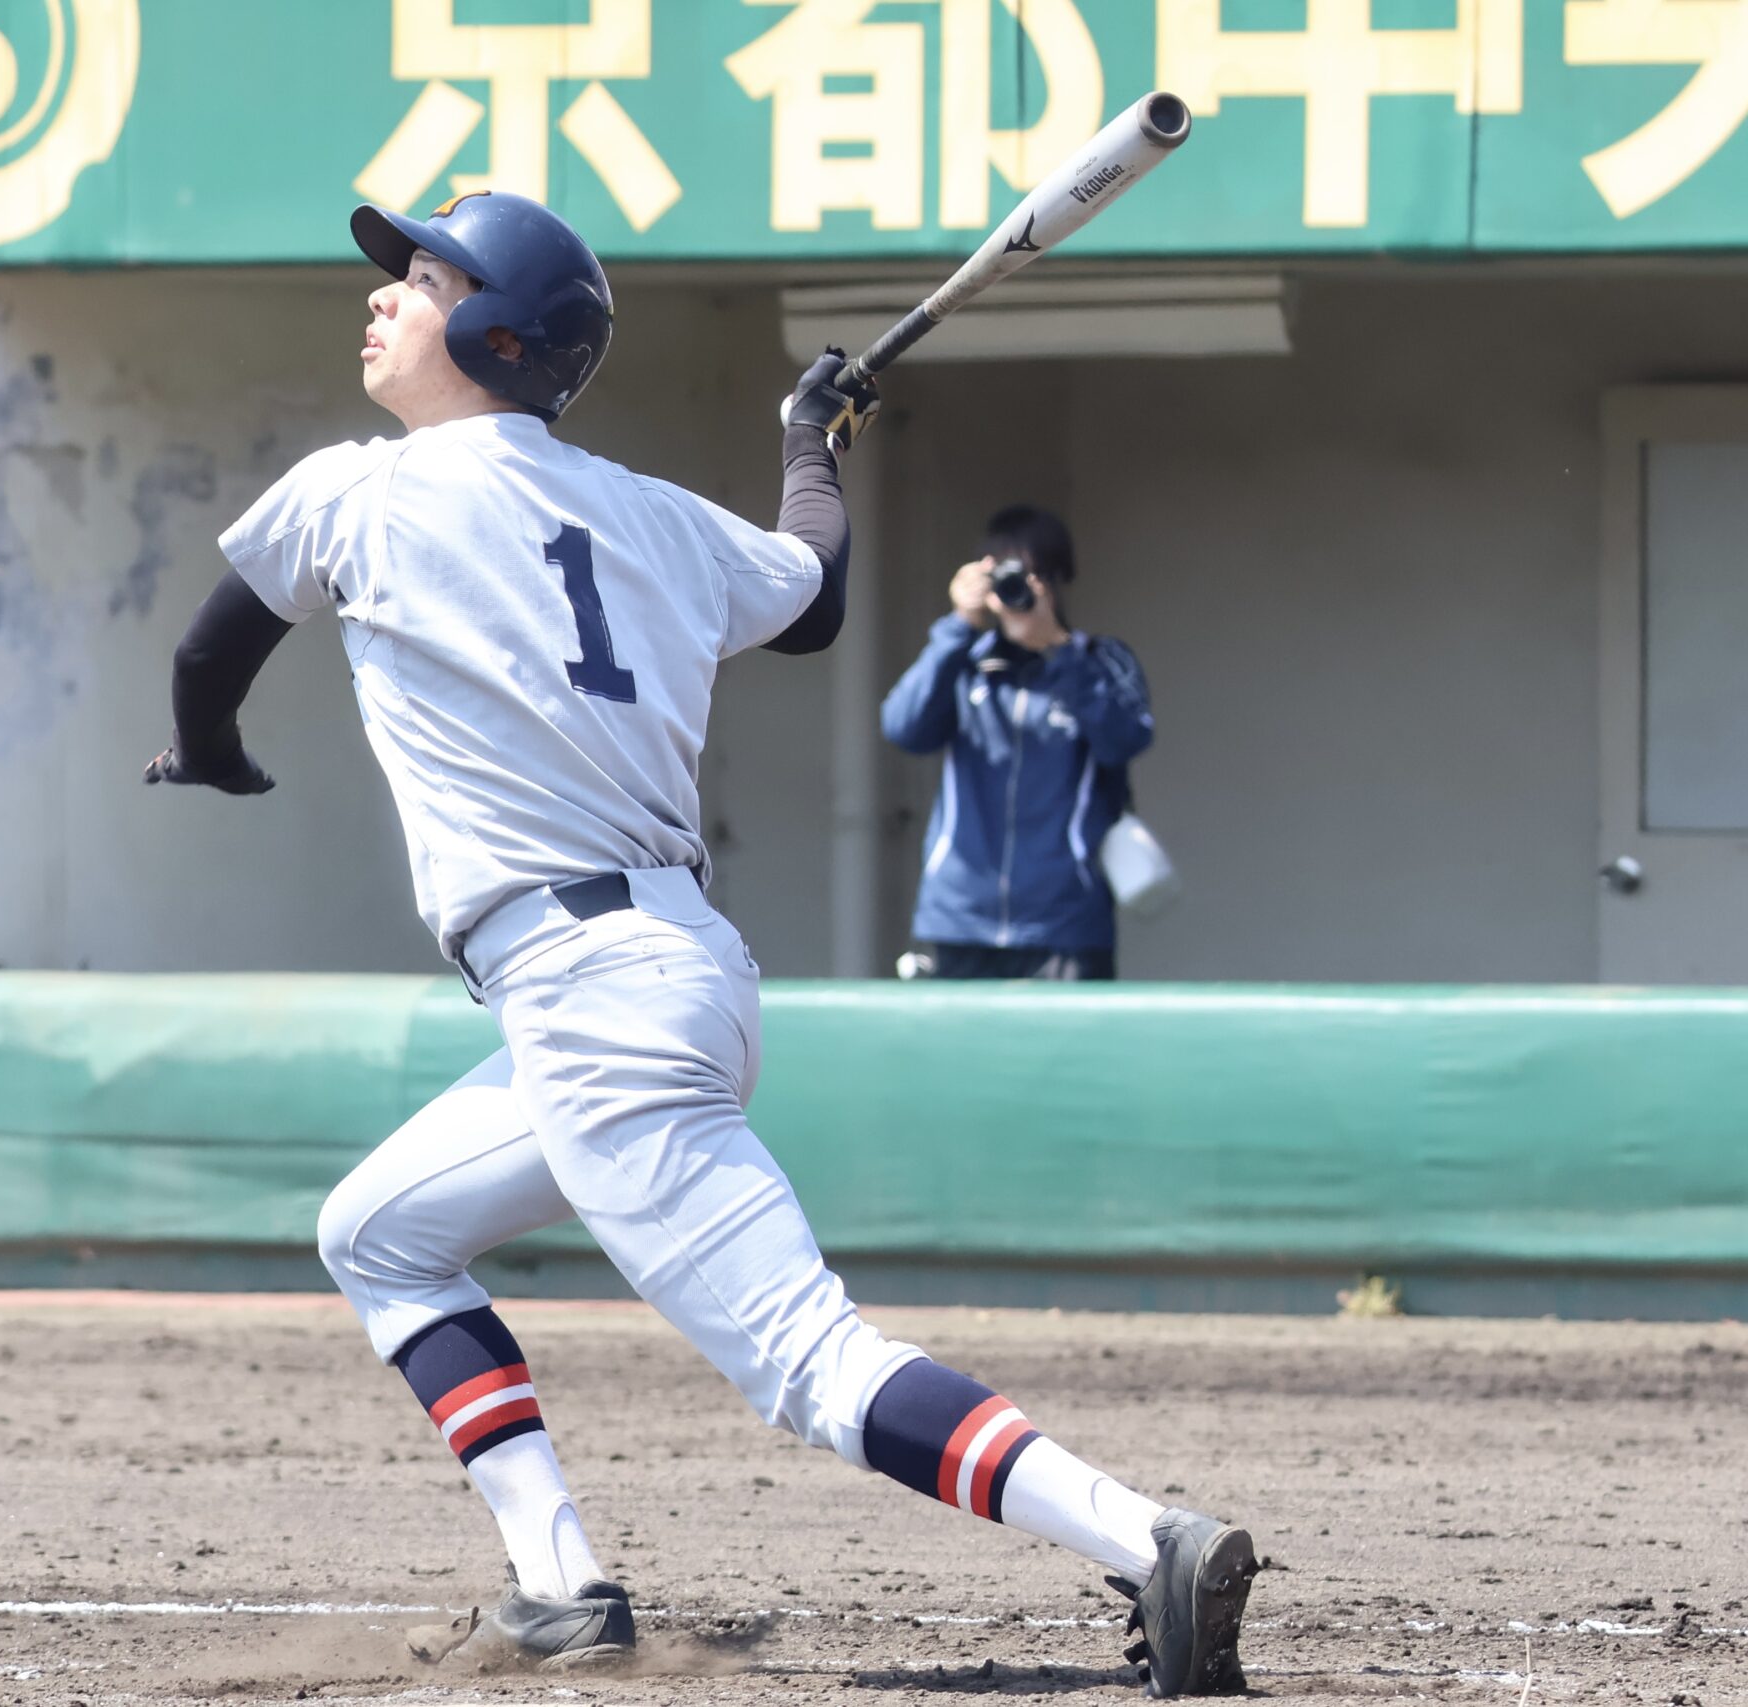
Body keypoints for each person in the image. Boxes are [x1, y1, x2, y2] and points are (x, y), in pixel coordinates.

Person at [141, 190, 1254, 1696]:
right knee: (379, 1233)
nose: (387, 294)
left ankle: (1148, 1537)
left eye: (427, 276)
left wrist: (208, 757)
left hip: (590, 996)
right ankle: (559, 1585)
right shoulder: (652, 512)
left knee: (808, 1360)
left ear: (499, 331)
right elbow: (813, 595)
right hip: (659, 977)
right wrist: (808, 443)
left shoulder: (358, 491)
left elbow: (207, 655)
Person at [881, 506, 1154, 981]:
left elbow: (1124, 741)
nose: (1017, 590)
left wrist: (1056, 649)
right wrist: (959, 625)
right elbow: (904, 727)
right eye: (1004, 573)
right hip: (960, 918)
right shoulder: (966, 663)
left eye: (1030, 574)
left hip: (1065, 923)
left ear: (1056, 580)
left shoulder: (1097, 661)